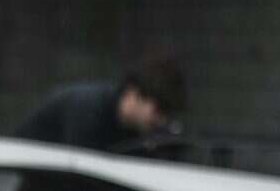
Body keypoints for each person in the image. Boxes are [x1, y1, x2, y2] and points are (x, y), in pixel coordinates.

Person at [17, 57, 187, 153]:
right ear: (132, 93)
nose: (161, 120)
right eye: (159, 109)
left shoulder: (132, 127)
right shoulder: (89, 111)